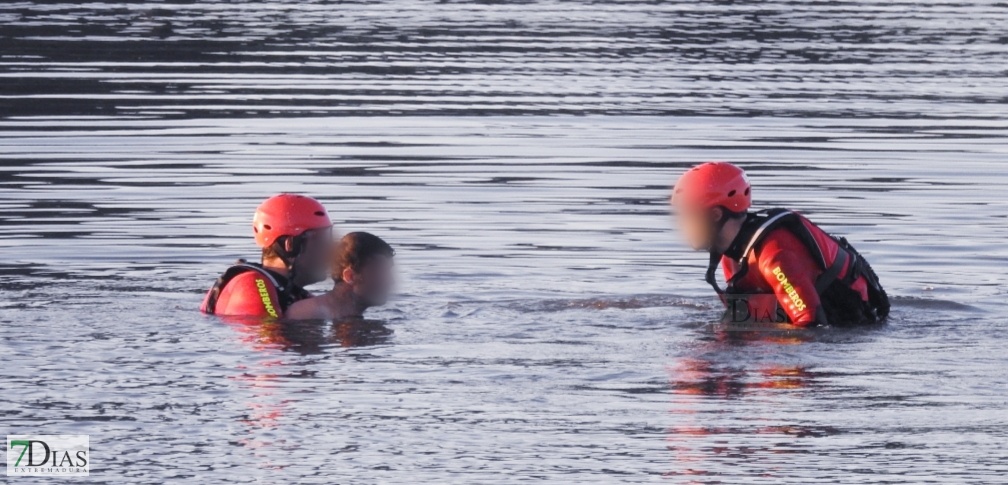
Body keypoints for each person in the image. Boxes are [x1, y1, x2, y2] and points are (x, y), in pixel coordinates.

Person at [671, 162, 889, 327]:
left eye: (688, 215)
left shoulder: (775, 255)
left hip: (853, 324)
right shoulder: (732, 251)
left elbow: (811, 325)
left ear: (716, 215)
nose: (681, 224)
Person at [200, 193, 334, 318]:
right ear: (290, 246)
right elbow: (268, 337)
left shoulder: (298, 296)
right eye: (321, 241)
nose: (330, 250)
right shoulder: (254, 284)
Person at [284, 232, 395, 321]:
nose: (390, 281)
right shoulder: (308, 314)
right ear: (350, 276)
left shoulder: (336, 315)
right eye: (381, 272)